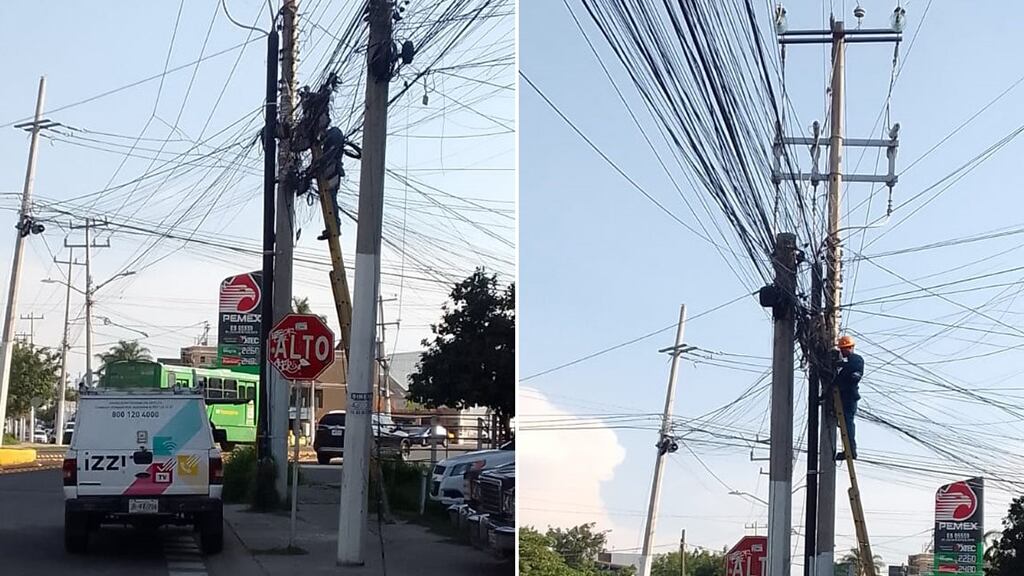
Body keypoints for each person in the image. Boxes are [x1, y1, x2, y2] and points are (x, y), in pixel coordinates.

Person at [834, 334, 863, 461]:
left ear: (850, 348)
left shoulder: (856, 360)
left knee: (848, 423)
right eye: (841, 349)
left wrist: (839, 364)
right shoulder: (847, 363)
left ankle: (851, 450)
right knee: (844, 423)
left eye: (844, 349)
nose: (842, 351)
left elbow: (850, 372)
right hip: (842, 397)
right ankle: (849, 449)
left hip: (849, 397)